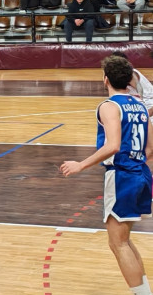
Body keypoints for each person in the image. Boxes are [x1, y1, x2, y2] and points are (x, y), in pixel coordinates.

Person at [60, 55, 153, 295]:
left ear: (105, 80)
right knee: (124, 240)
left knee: (118, 243)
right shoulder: (140, 106)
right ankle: (143, 291)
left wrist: (80, 165)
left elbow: (112, 145)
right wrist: (136, 163)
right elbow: (150, 148)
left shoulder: (109, 106)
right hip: (141, 174)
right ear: (130, 80)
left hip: (122, 177)